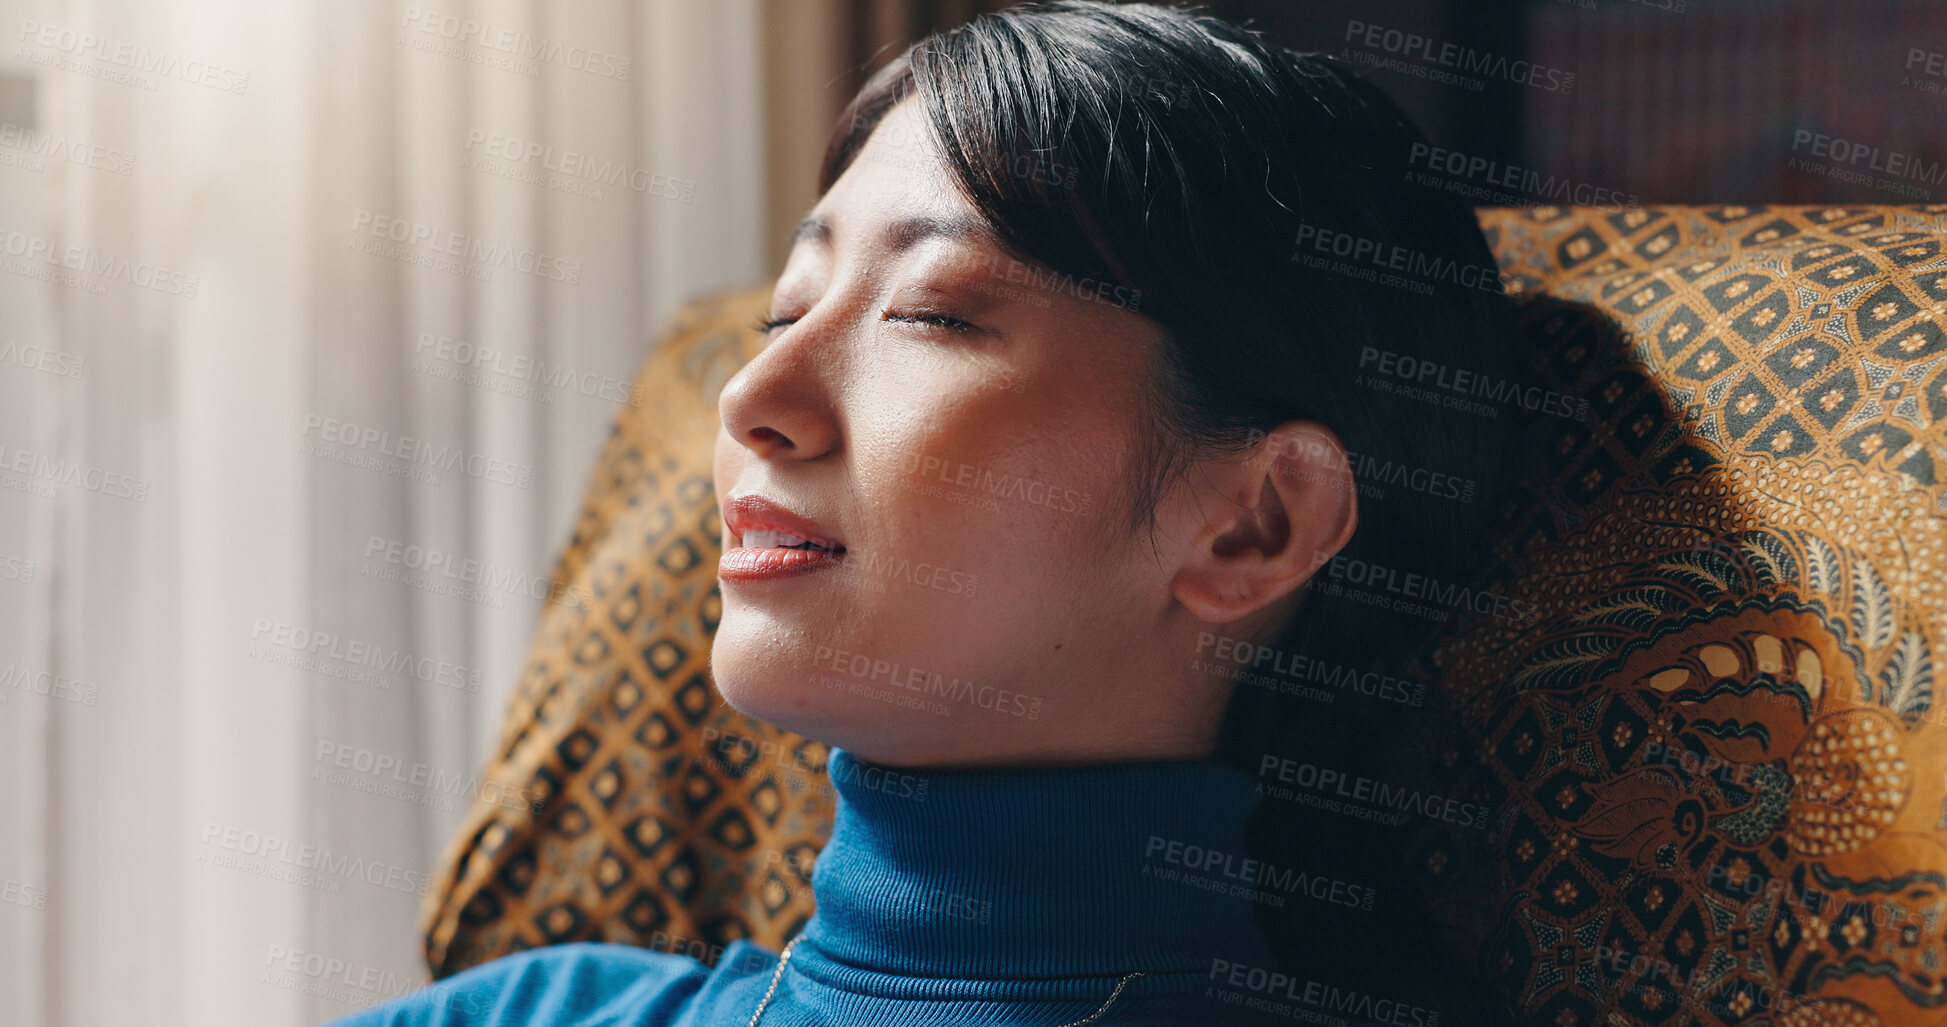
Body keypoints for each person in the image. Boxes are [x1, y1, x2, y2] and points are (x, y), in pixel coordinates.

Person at [325, 1, 1517, 1023]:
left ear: (1254, 523)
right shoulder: (544, 1005)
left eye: (933, 313)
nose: (750, 396)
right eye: (786, 312)